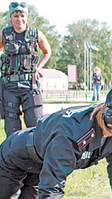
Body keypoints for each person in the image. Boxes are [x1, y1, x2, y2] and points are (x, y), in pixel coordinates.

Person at [0, 2, 51, 137]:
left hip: (30, 85)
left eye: (22, 15)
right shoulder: (4, 34)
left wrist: (38, 68)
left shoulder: (35, 34)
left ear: (26, 17)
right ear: (11, 18)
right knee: (12, 130)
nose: (19, 19)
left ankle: (37, 157)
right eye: (16, 16)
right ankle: (14, 157)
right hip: (9, 87)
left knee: (36, 126)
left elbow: (47, 51)